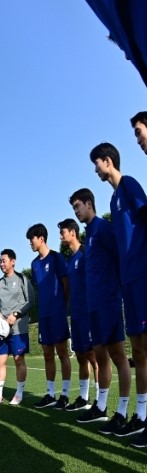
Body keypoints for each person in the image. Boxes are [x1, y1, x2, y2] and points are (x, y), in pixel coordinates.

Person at [89, 142, 147, 438]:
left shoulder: (129, 185)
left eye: (96, 163)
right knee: (138, 350)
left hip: (142, 276)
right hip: (129, 283)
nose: (95, 169)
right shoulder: (113, 200)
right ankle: (137, 414)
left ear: (107, 161)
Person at [70, 189, 132, 432]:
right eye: (73, 208)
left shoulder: (103, 229)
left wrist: (115, 292)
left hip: (108, 303)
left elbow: (119, 259)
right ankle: (102, 406)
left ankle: (123, 412)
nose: (76, 211)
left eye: (78, 206)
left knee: (118, 355)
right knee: (100, 355)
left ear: (89, 203)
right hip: (93, 307)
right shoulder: (89, 233)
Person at [26, 223, 73, 409]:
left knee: (62, 352)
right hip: (43, 315)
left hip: (57, 313)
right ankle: (50, 393)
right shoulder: (34, 264)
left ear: (41, 239)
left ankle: (65, 394)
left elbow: (66, 284)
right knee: (47, 353)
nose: (30, 243)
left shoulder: (57, 258)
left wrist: (63, 305)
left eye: (32, 240)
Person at [57, 218, 98, 410]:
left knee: (93, 355)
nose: (61, 236)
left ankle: (100, 399)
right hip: (76, 314)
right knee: (81, 354)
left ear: (73, 232)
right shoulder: (69, 260)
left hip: (89, 312)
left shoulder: (85, 252)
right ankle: (84, 397)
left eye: (63, 232)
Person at [0, 249, 34, 406]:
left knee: (19, 360)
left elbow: (30, 301)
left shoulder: (22, 279)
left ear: (13, 261)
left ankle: (19, 394)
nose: (1, 264)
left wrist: (16, 314)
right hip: (2, 330)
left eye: (4, 260)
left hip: (18, 329)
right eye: (0, 261)